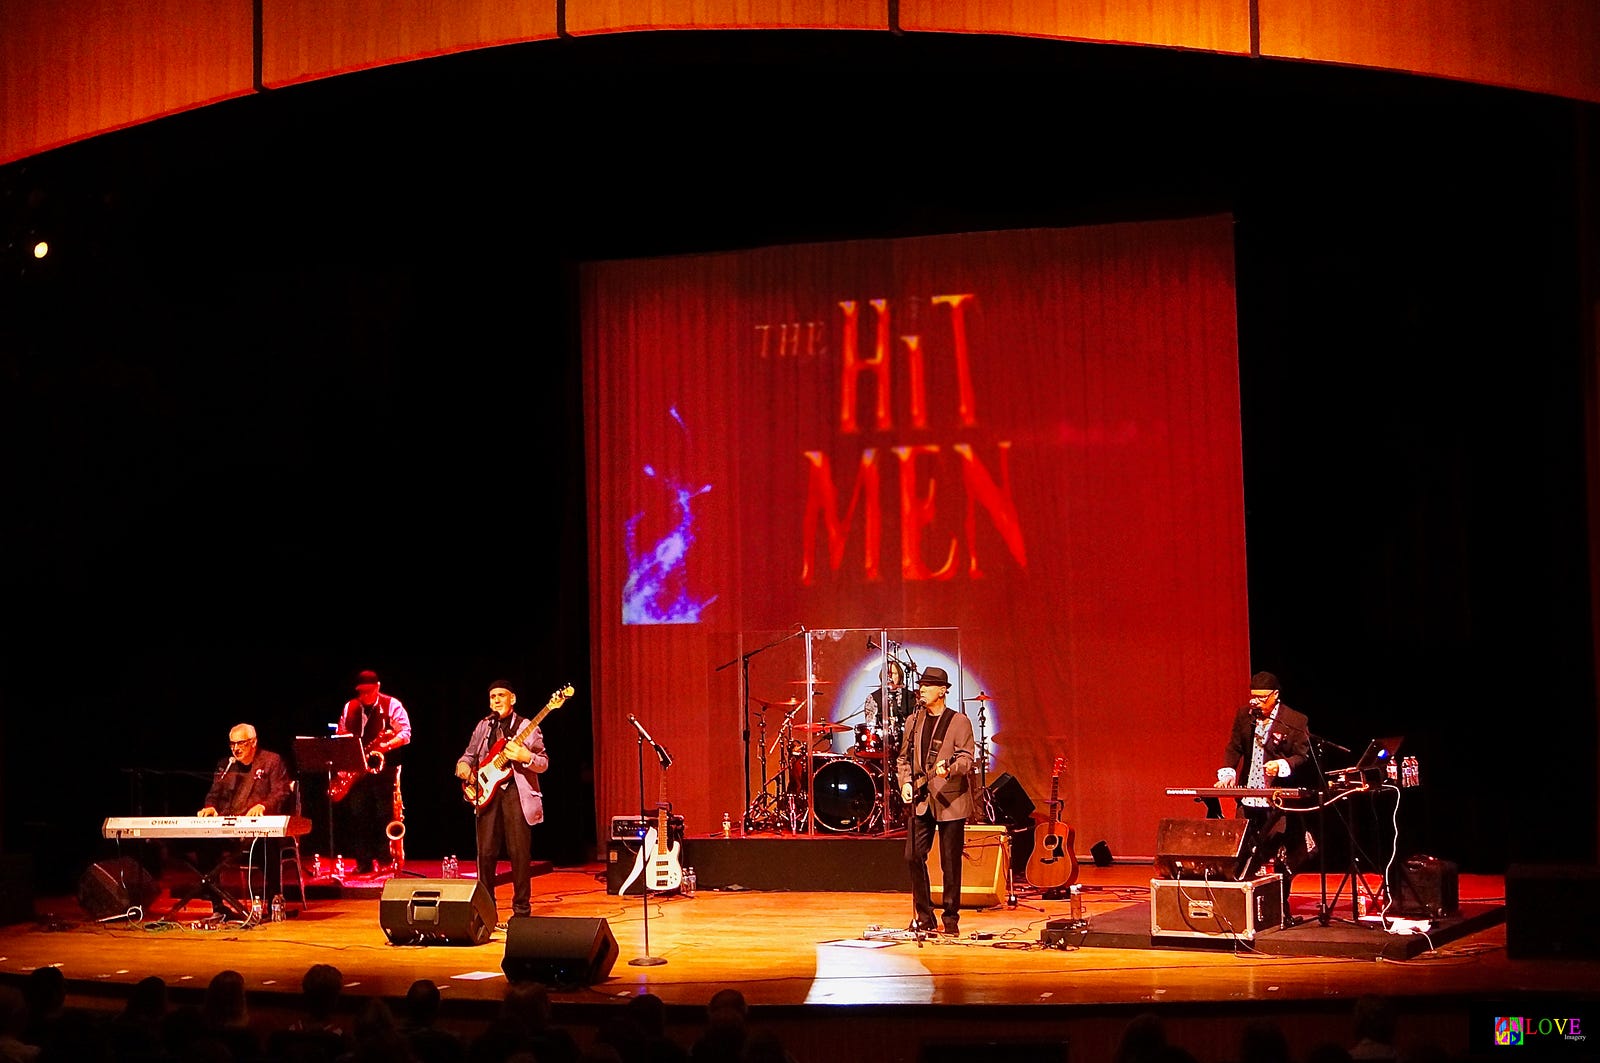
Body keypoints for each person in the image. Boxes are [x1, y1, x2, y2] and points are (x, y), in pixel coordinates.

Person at [455, 679, 549, 929]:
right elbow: (469, 755)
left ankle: (521, 911)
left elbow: (543, 762)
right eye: (492, 696)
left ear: (512, 699)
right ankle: (486, 911)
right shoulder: (484, 725)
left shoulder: (526, 726)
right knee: (485, 854)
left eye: (501, 695)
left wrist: (526, 757)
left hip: (515, 792)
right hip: (488, 793)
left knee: (519, 853)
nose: (496, 700)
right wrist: (463, 767)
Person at [1216, 671, 1316, 887]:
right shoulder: (1245, 716)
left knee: (1278, 849)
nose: (1256, 702)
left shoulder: (1295, 720)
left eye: (1261, 698)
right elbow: (1234, 747)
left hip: (1277, 798)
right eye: (1253, 697)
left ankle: (1279, 898)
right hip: (1249, 796)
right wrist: (1228, 772)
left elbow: (1302, 756)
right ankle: (1245, 894)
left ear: (1275, 695)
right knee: (1242, 846)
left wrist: (1282, 765)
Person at [896, 665, 975, 936]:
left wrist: (950, 769)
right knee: (913, 855)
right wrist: (905, 782)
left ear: (942, 691)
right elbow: (903, 758)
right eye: (921, 685)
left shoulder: (959, 721)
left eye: (928, 686)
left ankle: (950, 918)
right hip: (921, 799)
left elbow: (966, 758)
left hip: (951, 800)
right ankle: (924, 915)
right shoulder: (913, 721)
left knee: (950, 863)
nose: (922, 690)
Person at [196, 723, 293, 904]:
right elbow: (213, 794)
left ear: (253, 742)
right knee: (206, 845)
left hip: (259, 831)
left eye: (241, 743)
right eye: (232, 744)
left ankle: (274, 901)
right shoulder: (226, 765)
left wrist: (263, 806)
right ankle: (217, 905)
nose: (236, 748)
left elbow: (281, 791)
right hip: (229, 829)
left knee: (266, 844)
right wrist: (210, 807)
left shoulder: (271, 761)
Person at [333, 669, 412, 872]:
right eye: (361, 692)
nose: (365, 695)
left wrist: (386, 746)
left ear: (378, 687)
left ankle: (385, 860)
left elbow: (405, 733)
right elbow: (341, 734)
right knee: (358, 814)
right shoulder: (350, 707)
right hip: (358, 769)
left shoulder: (391, 705)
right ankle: (364, 862)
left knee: (383, 814)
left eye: (369, 691)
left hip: (383, 769)